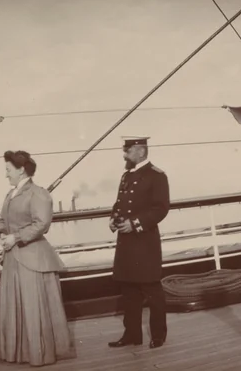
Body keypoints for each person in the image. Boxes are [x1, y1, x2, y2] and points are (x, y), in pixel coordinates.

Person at [0, 150, 76, 366]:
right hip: (13, 258)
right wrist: (2, 234)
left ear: (21, 170)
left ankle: (39, 353)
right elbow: (3, 221)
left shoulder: (38, 193)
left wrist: (16, 237)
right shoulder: (9, 195)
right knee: (16, 307)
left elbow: (42, 224)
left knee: (33, 307)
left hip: (32, 259)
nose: (6, 175)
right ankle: (19, 353)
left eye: (8, 170)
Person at [107, 136, 171, 350]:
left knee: (152, 291)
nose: (124, 154)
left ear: (141, 151)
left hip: (144, 242)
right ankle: (132, 334)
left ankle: (158, 335)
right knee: (129, 292)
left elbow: (161, 208)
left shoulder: (157, 176)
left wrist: (134, 224)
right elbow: (119, 203)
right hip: (126, 243)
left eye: (128, 150)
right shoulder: (126, 176)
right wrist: (114, 218)